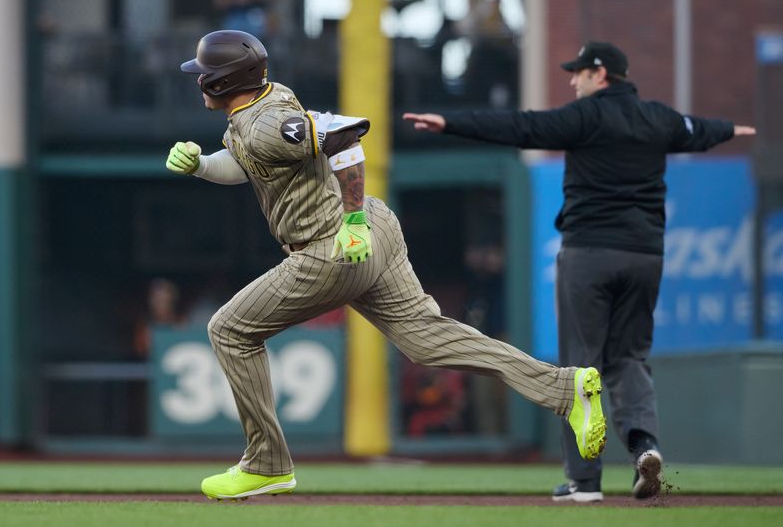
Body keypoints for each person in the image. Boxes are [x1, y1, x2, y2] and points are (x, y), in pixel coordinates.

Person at [166, 30, 607, 501]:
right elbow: (248, 161)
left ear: (221, 82)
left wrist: (351, 220)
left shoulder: (264, 123)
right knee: (429, 340)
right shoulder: (266, 104)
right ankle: (564, 389)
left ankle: (267, 463)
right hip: (374, 229)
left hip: (330, 244)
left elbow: (347, 134)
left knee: (229, 330)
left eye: (203, 76)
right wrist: (204, 167)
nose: (198, 82)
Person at [403, 41, 757, 502]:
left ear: (601, 73)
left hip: (590, 252)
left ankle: (584, 482)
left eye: (579, 73)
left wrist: (450, 122)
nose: (573, 81)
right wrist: (732, 127)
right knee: (629, 358)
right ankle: (644, 447)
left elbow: (521, 127)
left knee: (579, 367)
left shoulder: (586, 116)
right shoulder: (658, 118)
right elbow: (698, 130)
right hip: (645, 255)